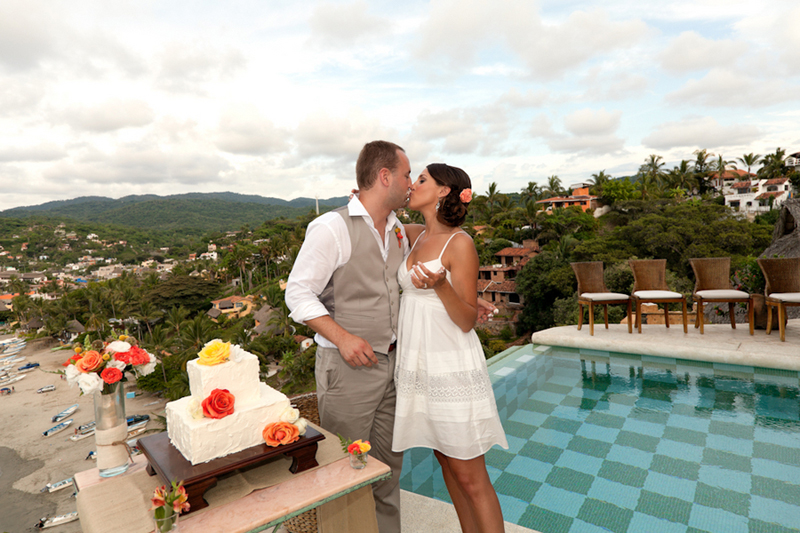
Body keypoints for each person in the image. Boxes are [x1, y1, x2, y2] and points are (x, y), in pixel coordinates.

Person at [285, 140, 412, 533]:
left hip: (391, 367)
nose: (410, 183)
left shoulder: (397, 229)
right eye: (407, 175)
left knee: (388, 473)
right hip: (347, 371)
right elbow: (297, 292)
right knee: (344, 474)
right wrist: (341, 337)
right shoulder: (331, 227)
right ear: (384, 176)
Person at [393, 163, 508, 533]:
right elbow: (376, 224)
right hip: (420, 364)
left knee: (471, 476)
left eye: (422, 179)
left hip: (450, 365)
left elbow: (465, 319)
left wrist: (441, 286)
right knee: (447, 464)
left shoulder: (460, 243)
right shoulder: (413, 234)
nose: (413, 184)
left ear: (443, 191)